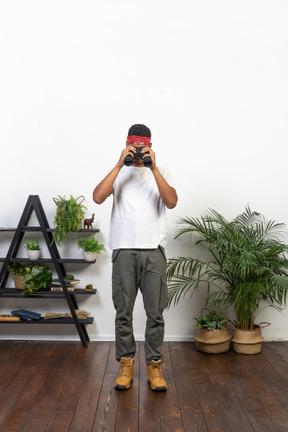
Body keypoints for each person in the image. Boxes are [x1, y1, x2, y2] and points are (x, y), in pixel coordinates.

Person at [93, 124, 178, 392]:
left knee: (155, 314)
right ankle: (125, 365)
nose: (139, 152)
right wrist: (120, 164)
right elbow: (97, 197)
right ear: (127, 144)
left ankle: (155, 367)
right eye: (135, 147)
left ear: (150, 145)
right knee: (123, 313)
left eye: (144, 147)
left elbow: (172, 201)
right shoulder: (119, 173)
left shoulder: (161, 172)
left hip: (154, 251)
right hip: (124, 251)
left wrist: (153, 167)